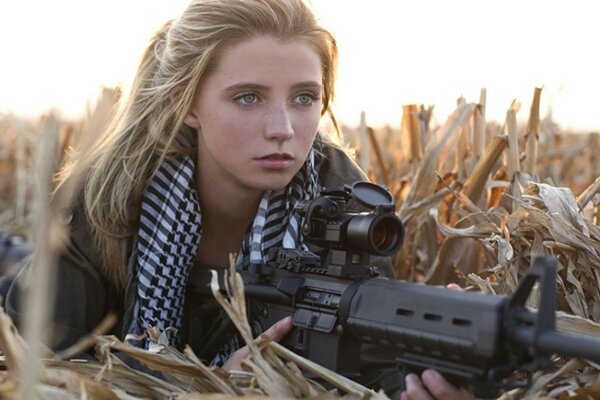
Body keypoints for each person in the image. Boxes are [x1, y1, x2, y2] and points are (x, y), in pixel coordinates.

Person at [1, 1, 471, 398]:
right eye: (248, 98)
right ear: (185, 103)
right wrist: (204, 389)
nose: (283, 129)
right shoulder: (108, 195)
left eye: (304, 98)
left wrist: (429, 374)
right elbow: (37, 367)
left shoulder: (343, 201)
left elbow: (368, 370)